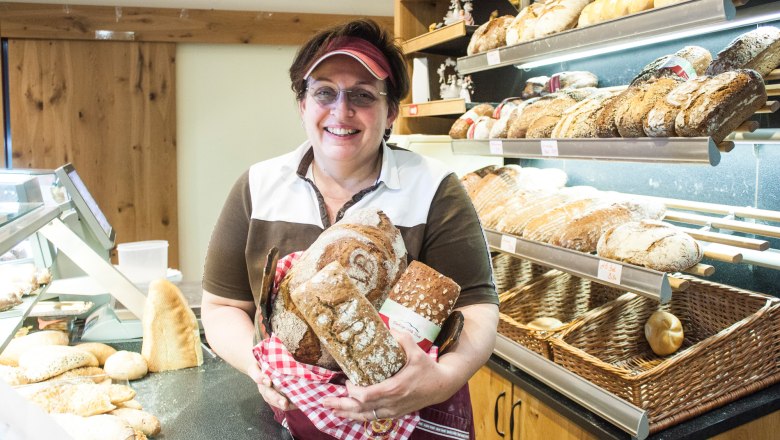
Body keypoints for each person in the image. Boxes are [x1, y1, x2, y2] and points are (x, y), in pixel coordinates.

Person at [200, 18, 499, 439]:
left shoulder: (434, 189)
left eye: (362, 95)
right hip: (292, 422)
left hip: (412, 421)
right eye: (324, 92)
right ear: (302, 103)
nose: (341, 111)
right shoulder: (258, 186)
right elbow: (221, 306)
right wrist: (257, 365)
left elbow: (478, 310)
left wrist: (442, 378)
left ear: (391, 110)